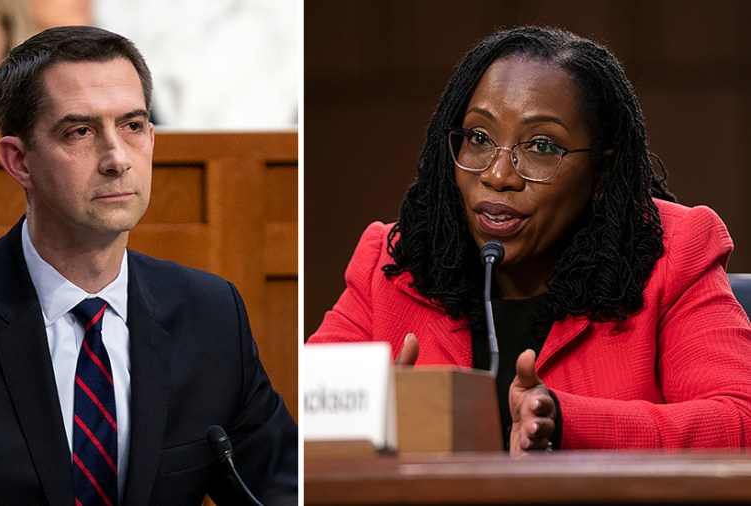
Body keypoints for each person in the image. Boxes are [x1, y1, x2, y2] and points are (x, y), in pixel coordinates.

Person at [0, 25, 297, 504]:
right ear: (18, 160)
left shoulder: (211, 314)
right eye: (81, 131)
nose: (116, 158)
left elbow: (280, 488)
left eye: (131, 126)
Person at [307, 26, 751, 455]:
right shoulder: (395, 263)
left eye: (541, 146)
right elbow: (306, 422)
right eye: (478, 138)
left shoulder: (672, 253)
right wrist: (369, 422)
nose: (498, 176)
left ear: (601, 171)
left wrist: (564, 422)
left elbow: (739, 422)